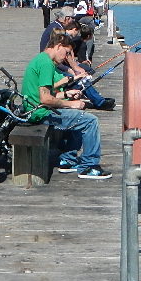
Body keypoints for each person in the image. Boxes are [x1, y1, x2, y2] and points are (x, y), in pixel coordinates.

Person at [21, 29, 112, 179]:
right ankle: (89, 167)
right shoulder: (46, 64)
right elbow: (45, 99)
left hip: (34, 109)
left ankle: (68, 160)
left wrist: (66, 95)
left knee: (77, 118)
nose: (66, 58)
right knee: (90, 121)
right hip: (40, 113)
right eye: (66, 52)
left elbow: (44, 95)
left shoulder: (41, 59)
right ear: (58, 46)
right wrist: (71, 104)